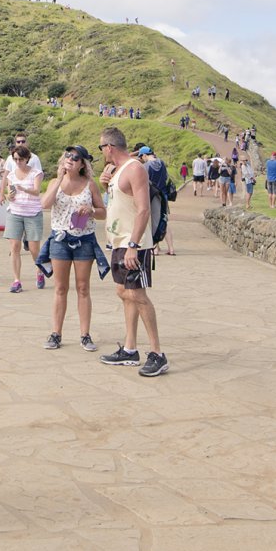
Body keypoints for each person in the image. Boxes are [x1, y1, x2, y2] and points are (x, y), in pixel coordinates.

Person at [98, 127, 169, 377]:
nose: (102, 153)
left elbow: (143, 210)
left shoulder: (135, 168)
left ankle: (157, 353)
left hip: (132, 244)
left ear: (110, 147)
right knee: (124, 293)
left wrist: (133, 245)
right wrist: (105, 184)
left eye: (102, 148)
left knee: (138, 295)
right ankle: (130, 349)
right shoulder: (117, 172)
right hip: (119, 242)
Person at [39, 145, 106, 351]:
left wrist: (91, 211)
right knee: (60, 288)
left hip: (84, 240)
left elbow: (103, 212)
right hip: (60, 239)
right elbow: (45, 204)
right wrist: (59, 179)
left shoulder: (90, 184)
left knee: (83, 287)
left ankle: (85, 335)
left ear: (82, 163)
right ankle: (56, 333)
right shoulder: (54, 182)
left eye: (76, 157)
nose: (70, 159)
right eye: (68, 155)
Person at [1, 144, 44, 292]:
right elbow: (10, 194)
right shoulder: (11, 175)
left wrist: (24, 188)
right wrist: (9, 195)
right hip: (15, 212)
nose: (18, 162)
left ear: (27, 159)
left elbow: (37, 191)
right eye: (15, 159)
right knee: (14, 247)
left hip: (32, 213)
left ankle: (39, 270)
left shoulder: (36, 173)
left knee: (33, 249)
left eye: (20, 159)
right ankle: (16, 280)